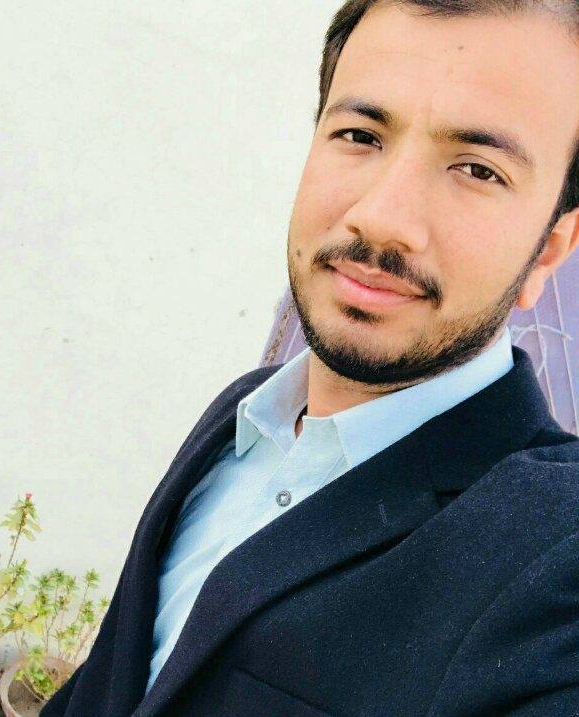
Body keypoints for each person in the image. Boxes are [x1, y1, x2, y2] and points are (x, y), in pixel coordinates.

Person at [40, 1, 579, 715]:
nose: (381, 216)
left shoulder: (553, 556)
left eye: (477, 170)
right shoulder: (246, 415)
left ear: (549, 250)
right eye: (360, 135)